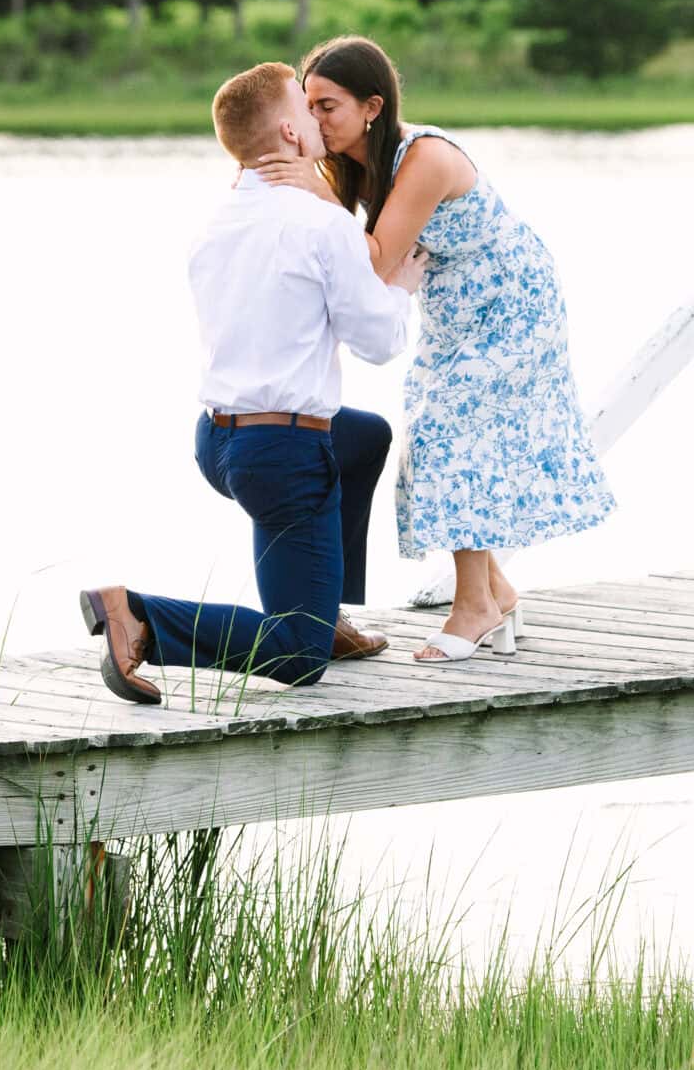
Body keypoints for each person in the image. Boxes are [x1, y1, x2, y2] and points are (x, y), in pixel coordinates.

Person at [257, 35, 614, 663]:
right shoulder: (349, 162)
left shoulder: (424, 158)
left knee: (453, 429)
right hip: (452, 307)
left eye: (327, 106)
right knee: (432, 427)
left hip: (512, 303)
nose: (314, 120)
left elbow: (373, 258)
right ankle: (495, 596)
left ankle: (472, 605)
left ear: (373, 106)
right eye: (306, 106)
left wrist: (314, 192)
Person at [81, 62, 423, 705]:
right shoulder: (323, 227)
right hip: (282, 457)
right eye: (309, 107)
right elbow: (379, 342)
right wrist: (399, 287)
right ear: (292, 134)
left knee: (363, 436)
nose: (320, 119)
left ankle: (331, 613)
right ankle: (142, 616)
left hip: (218, 441)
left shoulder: (214, 223)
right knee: (297, 652)